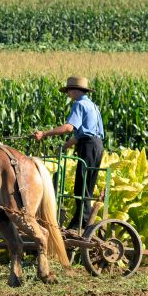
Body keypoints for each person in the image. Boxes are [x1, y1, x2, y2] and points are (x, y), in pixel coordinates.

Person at [32, 76, 105, 230]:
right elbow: (80, 135)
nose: (68, 94)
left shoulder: (79, 104)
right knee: (86, 185)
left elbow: (68, 128)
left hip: (88, 146)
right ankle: (81, 220)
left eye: (68, 91)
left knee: (81, 187)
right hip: (96, 145)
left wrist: (44, 134)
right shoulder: (92, 105)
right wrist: (64, 147)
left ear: (75, 90)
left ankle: (82, 221)